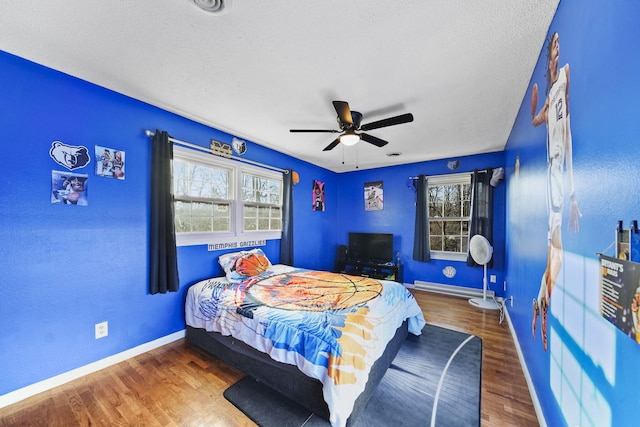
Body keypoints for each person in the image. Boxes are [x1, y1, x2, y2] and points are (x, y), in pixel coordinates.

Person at [530, 32, 582, 351]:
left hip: (560, 167)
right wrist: (536, 110)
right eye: (553, 50)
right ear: (547, 58)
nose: (556, 55)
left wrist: (574, 194)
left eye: (558, 49)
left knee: (556, 248)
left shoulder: (565, 76)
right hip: (553, 169)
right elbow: (540, 121)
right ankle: (544, 300)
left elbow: (566, 128)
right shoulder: (550, 92)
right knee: (556, 249)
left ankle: (541, 300)